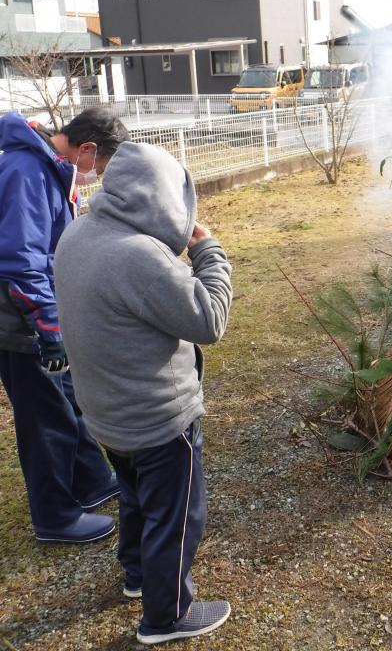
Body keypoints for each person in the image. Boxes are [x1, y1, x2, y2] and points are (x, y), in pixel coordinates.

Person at [55, 142, 233, 644]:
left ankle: (137, 574)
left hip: (107, 413)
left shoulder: (77, 234)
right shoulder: (139, 257)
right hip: (158, 419)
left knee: (135, 496)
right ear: (160, 197)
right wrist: (208, 251)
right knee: (176, 517)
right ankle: (167, 616)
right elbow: (209, 321)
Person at [0, 108, 128, 543]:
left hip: (44, 313)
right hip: (21, 320)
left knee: (70, 400)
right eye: (103, 165)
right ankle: (54, 517)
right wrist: (48, 330)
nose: (99, 175)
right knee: (45, 418)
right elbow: (20, 260)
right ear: (87, 149)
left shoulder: (46, 165)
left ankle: (91, 480)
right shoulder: (26, 170)